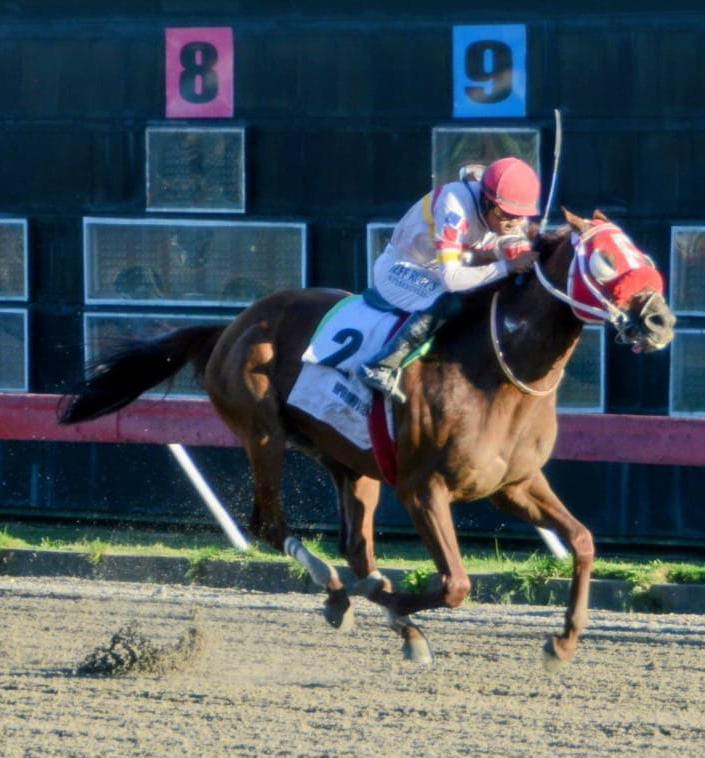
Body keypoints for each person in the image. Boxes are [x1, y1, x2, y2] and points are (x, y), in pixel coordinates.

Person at [357, 156, 541, 402]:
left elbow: (502, 244)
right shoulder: (454, 206)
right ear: (486, 201)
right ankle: (379, 365)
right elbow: (452, 279)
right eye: (504, 214)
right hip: (400, 268)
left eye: (519, 216)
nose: (513, 223)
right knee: (449, 301)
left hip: (436, 267)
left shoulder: (507, 212)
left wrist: (516, 249)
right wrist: (506, 265)